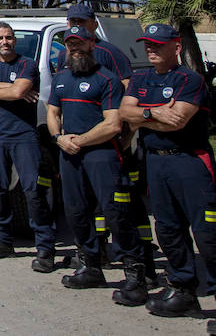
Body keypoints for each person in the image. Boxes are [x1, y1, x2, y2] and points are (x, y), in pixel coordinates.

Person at [121, 23, 216, 328]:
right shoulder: (141, 78)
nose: (151, 49)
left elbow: (178, 120)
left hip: (190, 163)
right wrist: (153, 113)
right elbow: (125, 111)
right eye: (147, 44)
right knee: (168, 230)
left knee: (208, 233)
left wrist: (143, 116)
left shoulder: (190, 79)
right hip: (156, 163)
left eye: (157, 45)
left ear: (176, 48)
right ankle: (183, 290)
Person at [48, 23, 142, 296]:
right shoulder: (61, 78)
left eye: (80, 43)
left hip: (101, 154)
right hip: (70, 154)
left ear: (91, 44)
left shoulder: (108, 80)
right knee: (76, 212)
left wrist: (79, 140)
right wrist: (58, 139)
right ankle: (91, 266)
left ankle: (134, 274)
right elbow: (53, 113)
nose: (75, 48)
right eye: (70, 44)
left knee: (116, 213)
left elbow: (113, 124)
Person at [0, 20, 56, 270]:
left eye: (8, 37)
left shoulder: (27, 64)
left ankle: (45, 248)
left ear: (14, 40)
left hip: (24, 137)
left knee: (33, 192)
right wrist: (11, 87)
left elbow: (18, 93)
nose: (4, 42)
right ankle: (1, 240)